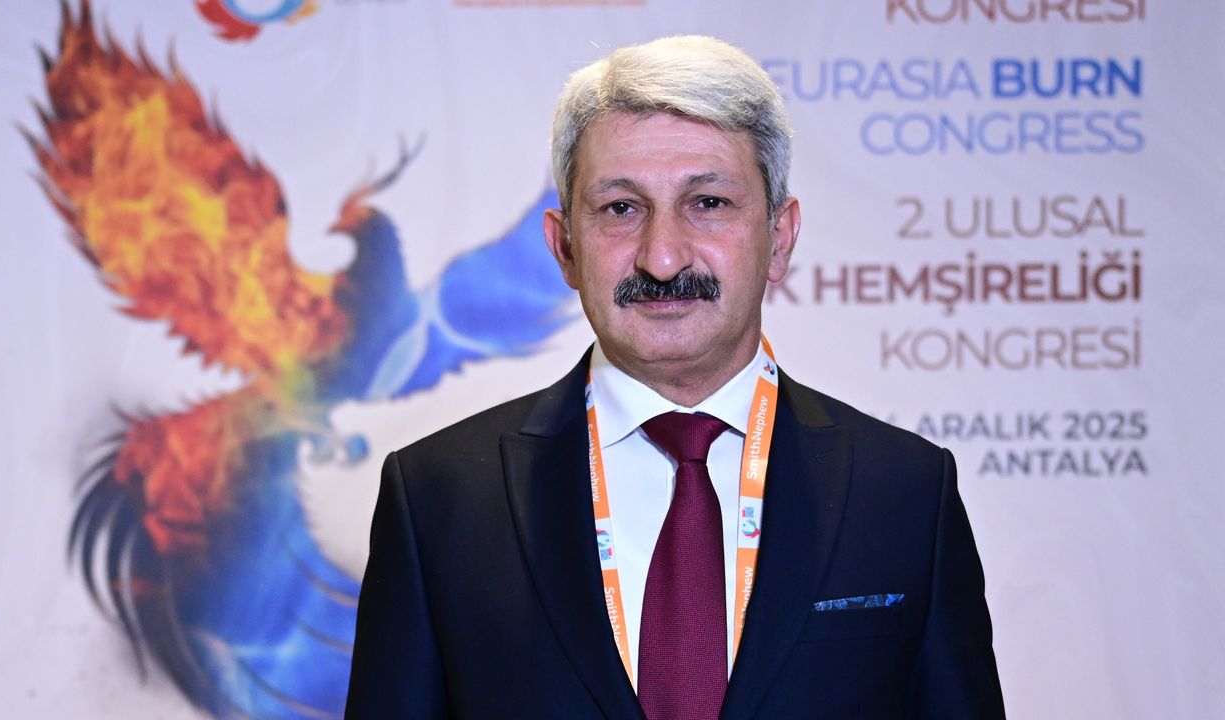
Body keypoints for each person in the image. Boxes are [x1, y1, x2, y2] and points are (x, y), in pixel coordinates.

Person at [345, 35, 1004, 719]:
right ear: (564, 246)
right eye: (620, 208)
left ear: (779, 238)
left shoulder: (904, 491)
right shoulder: (438, 498)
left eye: (708, 202)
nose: (662, 258)